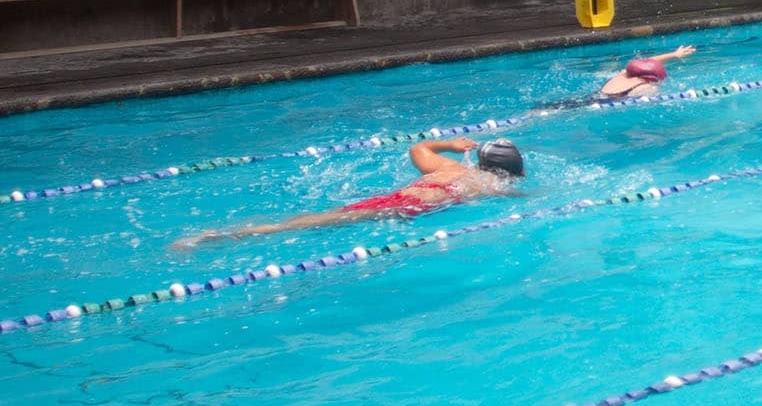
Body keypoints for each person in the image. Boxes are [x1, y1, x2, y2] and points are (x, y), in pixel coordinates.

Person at [172, 138, 524, 248]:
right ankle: (215, 236)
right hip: (409, 207)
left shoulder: (451, 168)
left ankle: (226, 232)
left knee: (319, 220)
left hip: (401, 200)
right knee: (306, 226)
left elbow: (418, 149)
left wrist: (451, 143)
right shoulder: (492, 186)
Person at [598, 44, 698, 99]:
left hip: (592, 96)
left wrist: (674, 54)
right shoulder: (647, 87)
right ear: (653, 78)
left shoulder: (623, 74)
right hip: (607, 103)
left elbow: (647, 63)